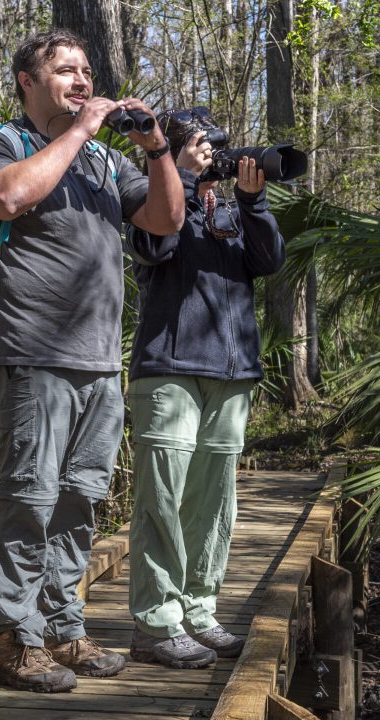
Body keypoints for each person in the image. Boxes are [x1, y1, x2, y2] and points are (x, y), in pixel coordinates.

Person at [0, 29, 184, 693]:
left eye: (86, 71)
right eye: (65, 71)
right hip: (32, 353)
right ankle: (13, 638)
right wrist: (83, 131)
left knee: (80, 500)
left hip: (99, 364)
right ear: (28, 83)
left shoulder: (102, 165)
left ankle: (63, 630)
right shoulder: (2, 144)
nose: (83, 81)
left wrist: (156, 149)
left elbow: (166, 220)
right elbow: (6, 198)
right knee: (28, 497)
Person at [124, 118, 286, 668]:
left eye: (212, 148)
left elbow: (269, 262)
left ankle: (198, 609)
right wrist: (183, 177)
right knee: (162, 498)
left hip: (231, 373)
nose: (210, 156)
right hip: (168, 368)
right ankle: (156, 622)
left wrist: (253, 201)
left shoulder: (233, 213)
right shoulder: (156, 200)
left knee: (215, 502)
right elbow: (152, 247)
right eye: (198, 147)